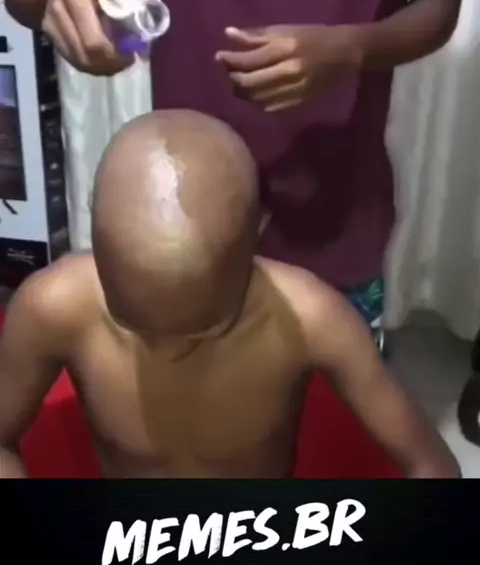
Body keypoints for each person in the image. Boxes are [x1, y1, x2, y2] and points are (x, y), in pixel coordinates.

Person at [4, 0, 463, 355]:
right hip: (185, 215)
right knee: (187, 405)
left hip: (335, 203)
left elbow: (439, 4)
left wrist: (351, 49)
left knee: (333, 405)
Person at [0, 110, 460, 479]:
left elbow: (432, 465)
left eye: (205, 329)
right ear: (96, 237)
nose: (170, 352)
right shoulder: (52, 307)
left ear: (258, 232)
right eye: (132, 324)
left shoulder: (312, 319)